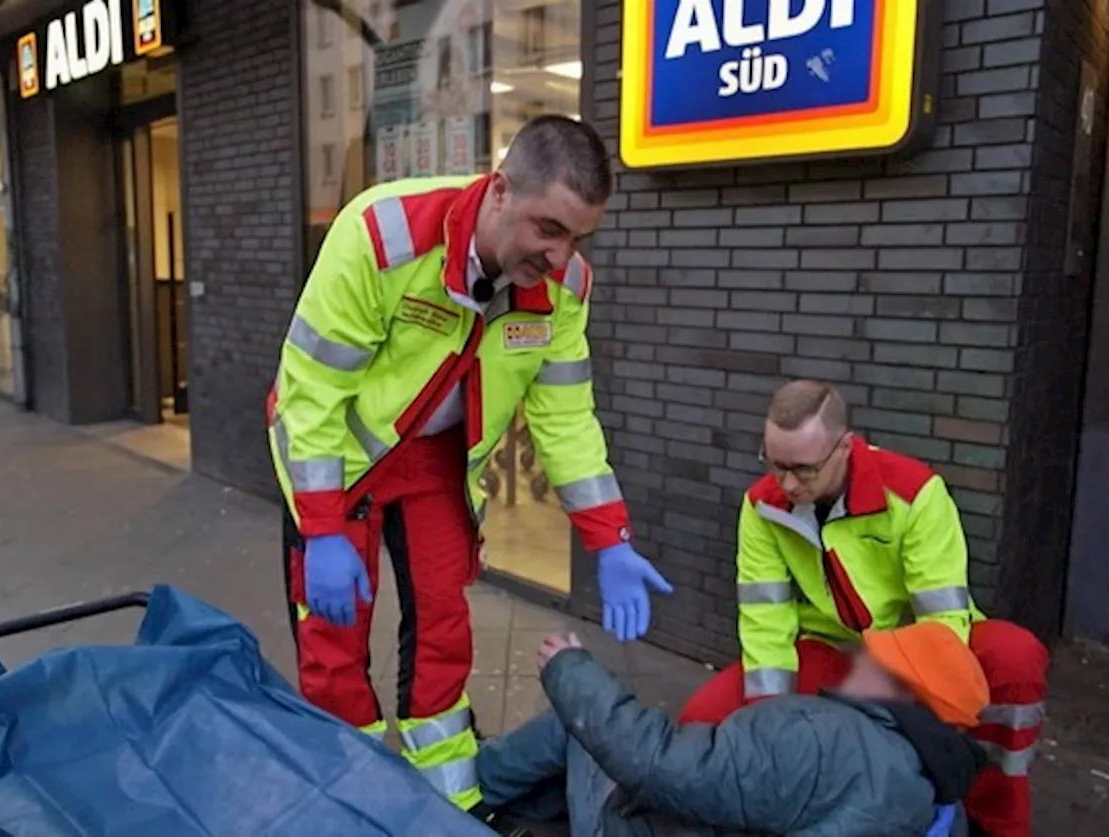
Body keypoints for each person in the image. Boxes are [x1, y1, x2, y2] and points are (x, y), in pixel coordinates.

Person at [266, 115, 673, 829]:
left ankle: (449, 796)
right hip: (338, 459)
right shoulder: (384, 235)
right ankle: (348, 794)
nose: (560, 254)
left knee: (445, 629)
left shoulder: (565, 287)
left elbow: (566, 419)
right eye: (548, 228)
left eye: (577, 236)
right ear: (498, 189)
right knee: (331, 640)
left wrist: (609, 537)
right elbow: (312, 396)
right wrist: (323, 525)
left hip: (437, 465)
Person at [677, 380, 1049, 837]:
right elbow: (764, 618)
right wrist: (769, 724)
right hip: (830, 647)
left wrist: (906, 706)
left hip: (919, 651)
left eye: (804, 470)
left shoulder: (915, 493)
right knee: (699, 722)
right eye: (776, 465)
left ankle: (997, 821)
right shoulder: (761, 506)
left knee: (1014, 656)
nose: (788, 484)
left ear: (846, 448)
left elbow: (943, 622)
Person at [477, 622, 992, 836]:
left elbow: (661, 766)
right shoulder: (946, 811)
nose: (857, 659)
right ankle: (514, 812)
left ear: (901, 692)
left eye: (877, 660)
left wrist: (570, 668)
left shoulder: (821, 738)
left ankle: (466, 795)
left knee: (577, 722)